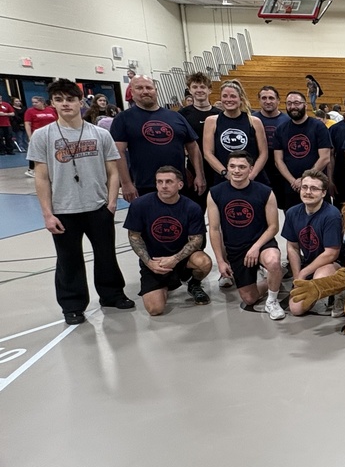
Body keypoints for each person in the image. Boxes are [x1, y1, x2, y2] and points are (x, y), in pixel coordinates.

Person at [27, 78, 133, 325]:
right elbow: (41, 177)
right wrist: (47, 213)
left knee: (106, 255)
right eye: (59, 100)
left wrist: (111, 202)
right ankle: (73, 305)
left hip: (98, 206)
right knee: (68, 260)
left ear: (80, 102)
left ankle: (112, 294)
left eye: (70, 99)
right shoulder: (43, 136)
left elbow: (113, 171)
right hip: (64, 209)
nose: (65, 104)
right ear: (53, 103)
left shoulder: (100, 134)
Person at [123, 166, 213, 314]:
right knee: (155, 309)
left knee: (204, 262)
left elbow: (196, 240)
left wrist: (175, 259)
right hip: (154, 261)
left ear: (180, 185)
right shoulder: (140, 205)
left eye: (169, 181)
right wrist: (148, 262)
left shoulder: (192, 207)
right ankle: (165, 285)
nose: (163, 186)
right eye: (159, 182)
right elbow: (134, 236)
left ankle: (194, 284)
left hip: (182, 259)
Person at [206, 151, 285, 320]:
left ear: (250, 169)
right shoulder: (215, 193)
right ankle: (274, 278)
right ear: (227, 168)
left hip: (261, 243)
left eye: (242, 167)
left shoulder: (265, 192)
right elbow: (213, 229)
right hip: (236, 249)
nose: (236, 171)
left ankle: (272, 300)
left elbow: (273, 227)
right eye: (232, 166)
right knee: (249, 298)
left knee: (273, 260)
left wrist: (256, 247)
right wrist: (220, 261)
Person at [111, 75, 204, 202]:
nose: (145, 91)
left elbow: (193, 147)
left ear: (156, 91)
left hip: (177, 183)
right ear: (132, 93)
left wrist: (200, 175)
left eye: (149, 87)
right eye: (139, 88)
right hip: (145, 185)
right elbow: (118, 152)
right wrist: (126, 183)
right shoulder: (123, 119)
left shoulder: (176, 116)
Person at [281, 170, 344, 317]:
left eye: (314, 189)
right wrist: (298, 278)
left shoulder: (332, 215)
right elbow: (292, 247)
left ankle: (341, 291)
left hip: (334, 263)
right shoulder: (292, 213)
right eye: (305, 187)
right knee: (296, 310)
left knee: (319, 278)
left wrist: (304, 272)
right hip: (310, 263)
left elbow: (331, 253)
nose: (308, 192)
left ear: (323, 193)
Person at [203, 79, 269, 189]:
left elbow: (263, 153)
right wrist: (226, 174)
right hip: (224, 179)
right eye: (225, 96)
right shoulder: (211, 121)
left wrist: (251, 176)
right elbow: (208, 153)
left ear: (240, 99)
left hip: (253, 179)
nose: (228, 100)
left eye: (233, 96)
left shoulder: (254, 121)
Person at [273, 91, 332, 211]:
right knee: (293, 223)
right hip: (292, 187)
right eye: (289, 103)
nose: (293, 106)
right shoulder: (281, 130)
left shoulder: (318, 127)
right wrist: (293, 181)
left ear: (305, 105)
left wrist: (305, 180)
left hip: (316, 185)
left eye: (297, 103)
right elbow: (278, 160)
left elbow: (325, 157)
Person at [179, 72, 222, 210]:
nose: (199, 90)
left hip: (218, 169)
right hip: (194, 169)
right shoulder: (182, 115)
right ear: (190, 90)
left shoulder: (220, 115)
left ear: (209, 89)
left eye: (202, 87)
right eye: (195, 87)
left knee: (219, 211)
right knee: (195, 211)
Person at [252, 85, 291, 202]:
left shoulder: (288, 120)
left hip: (282, 170)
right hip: (259, 170)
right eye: (264, 98)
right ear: (259, 100)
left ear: (278, 100)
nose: (267, 101)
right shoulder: (251, 119)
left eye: (271, 98)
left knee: (285, 204)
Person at [24, 95, 58, 177]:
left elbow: (57, 121)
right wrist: (30, 136)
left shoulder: (50, 110)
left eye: (36, 102)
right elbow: (27, 124)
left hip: (51, 134)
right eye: (33, 102)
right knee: (36, 152)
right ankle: (31, 169)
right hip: (37, 134)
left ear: (42, 102)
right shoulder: (30, 111)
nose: (34, 104)